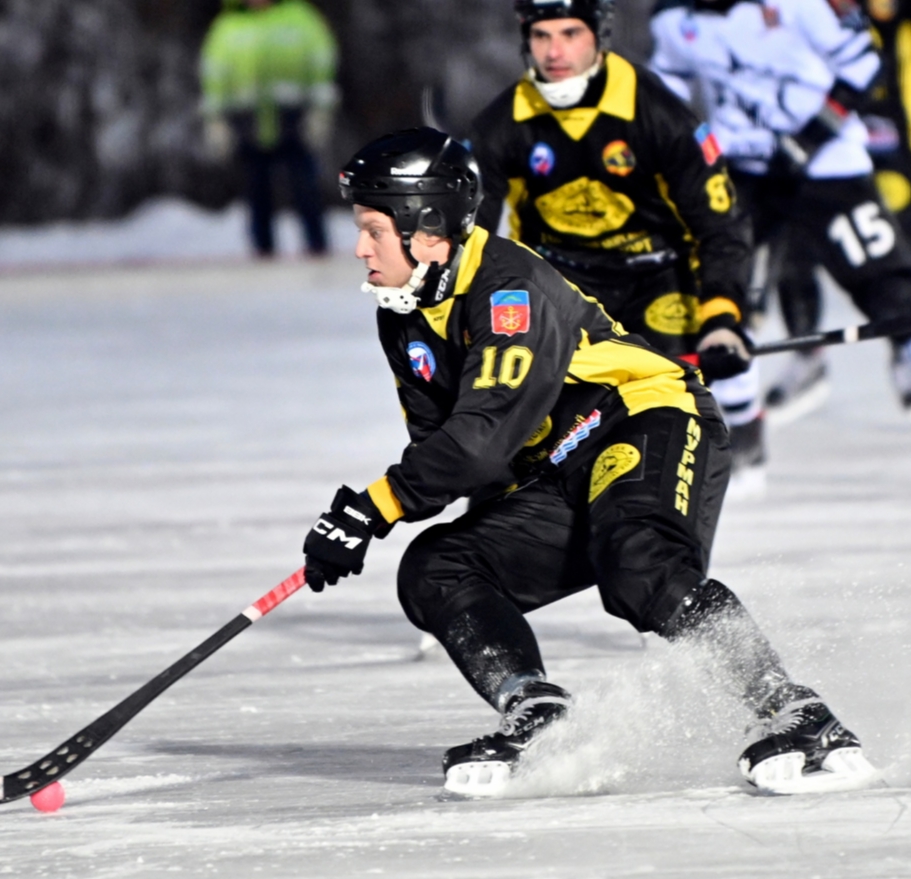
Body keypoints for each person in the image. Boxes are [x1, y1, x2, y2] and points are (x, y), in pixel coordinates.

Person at [300, 126, 876, 797]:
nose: (360, 247)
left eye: (373, 228)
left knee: (639, 563)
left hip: (643, 417)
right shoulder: (402, 315)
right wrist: (365, 521)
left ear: (428, 229)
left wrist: (374, 507)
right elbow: (449, 451)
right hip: (559, 469)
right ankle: (537, 712)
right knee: (438, 566)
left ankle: (798, 712)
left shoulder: (507, 290)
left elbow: (483, 436)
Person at [650, 0, 911, 490]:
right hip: (741, 175)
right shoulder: (673, 17)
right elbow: (661, 91)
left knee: (889, 292)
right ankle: (745, 435)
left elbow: (864, 66)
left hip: (826, 170)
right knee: (718, 305)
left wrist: (814, 136)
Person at [469, 0, 770, 495]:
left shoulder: (656, 111)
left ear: (600, 36)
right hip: (560, 288)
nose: (555, 51)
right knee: (530, 447)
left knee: (658, 435)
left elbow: (720, 224)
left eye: (570, 33)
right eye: (541, 36)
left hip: (656, 281)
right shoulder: (503, 122)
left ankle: (737, 427)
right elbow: (470, 239)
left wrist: (722, 316)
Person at [763, 0, 911, 423]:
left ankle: (905, 351)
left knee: (896, 250)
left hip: (901, 143)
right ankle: (807, 351)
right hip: (835, 145)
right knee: (792, 245)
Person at [199, 0, 338, 257]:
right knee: (256, 189)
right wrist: (215, 118)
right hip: (247, 119)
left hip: (294, 116)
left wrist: (321, 108)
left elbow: (321, 59)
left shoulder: (299, 17)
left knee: (304, 186)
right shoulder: (229, 25)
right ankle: (262, 253)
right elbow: (214, 72)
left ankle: (318, 249)